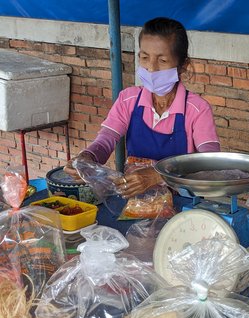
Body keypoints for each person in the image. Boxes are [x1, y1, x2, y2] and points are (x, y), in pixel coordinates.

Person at [64, 17, 220, 198]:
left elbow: (210, 162)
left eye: (162, 60)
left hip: (182, 206)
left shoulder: (197, 109)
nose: (151, 68)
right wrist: (87, 158)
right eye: (145, 58)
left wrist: (158, 175)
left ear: (182, 66)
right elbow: (105, 140)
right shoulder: (128, 99)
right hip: (133, 201)